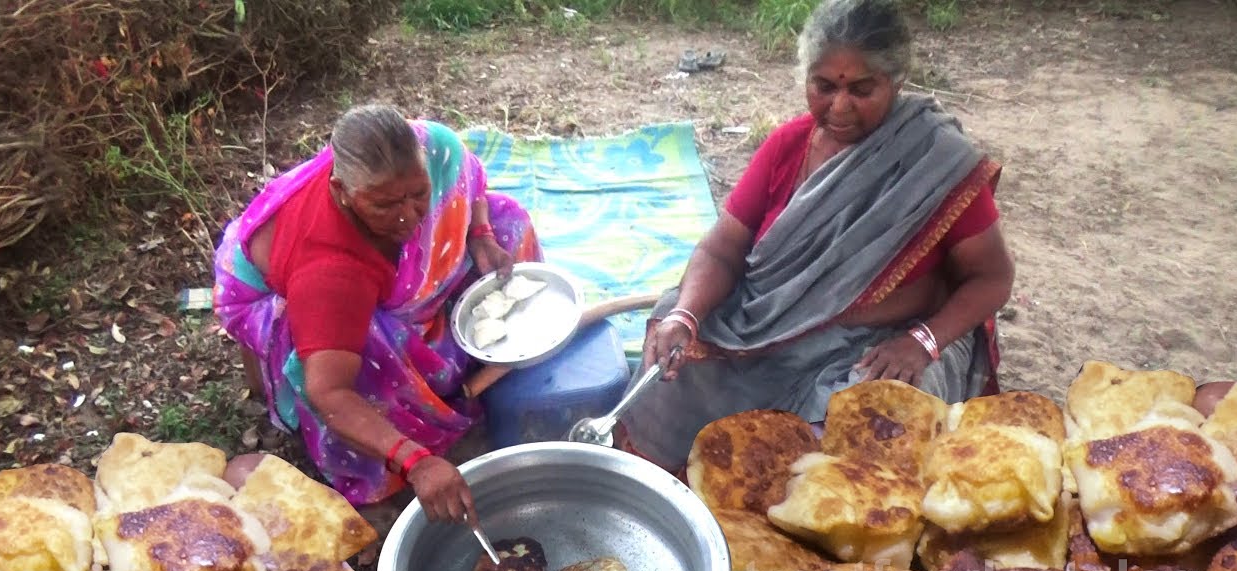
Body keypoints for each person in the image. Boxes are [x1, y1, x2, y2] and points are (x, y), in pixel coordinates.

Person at [617, 0, 1016, 473]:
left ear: (897, 81)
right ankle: (674, 495)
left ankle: (806, 537)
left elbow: (992, 278)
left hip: (886, 343)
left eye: (862, 89)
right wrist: (685, 316)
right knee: (671, 358)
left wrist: (923, 342)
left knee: (865, 434)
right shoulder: (788, 146)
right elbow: (721, 250)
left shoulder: (936, 162)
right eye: (823, 87)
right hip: (771, 325)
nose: (839, 106)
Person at [213, 105, 542, 520]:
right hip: (290, 298)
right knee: (371, 349)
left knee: (509, 221)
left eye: (419, 194)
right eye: (384, 205)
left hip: (359, 279)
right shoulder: (331, 271)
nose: (408, 216)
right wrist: (416, 461)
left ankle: (450, 355)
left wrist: (480, 235)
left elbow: (466, 179)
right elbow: (329, 392)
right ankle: (387, 452)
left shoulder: (433, 148)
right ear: (341, 192)